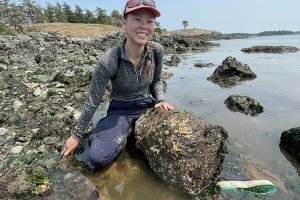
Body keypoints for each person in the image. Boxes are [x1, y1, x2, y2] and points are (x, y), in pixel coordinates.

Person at [61, 0, 174, 168]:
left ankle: (131, 135)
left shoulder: (157, 50)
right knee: (98, 157)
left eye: (149, 21)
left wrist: (160, 100)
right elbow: (93, 100)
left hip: (147, 107)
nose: (144, 26)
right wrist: (76, 135)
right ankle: (110, 132)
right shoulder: (110, 59)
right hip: (120, 111)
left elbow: (156, 80)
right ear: (123, 24)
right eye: (137, 19)